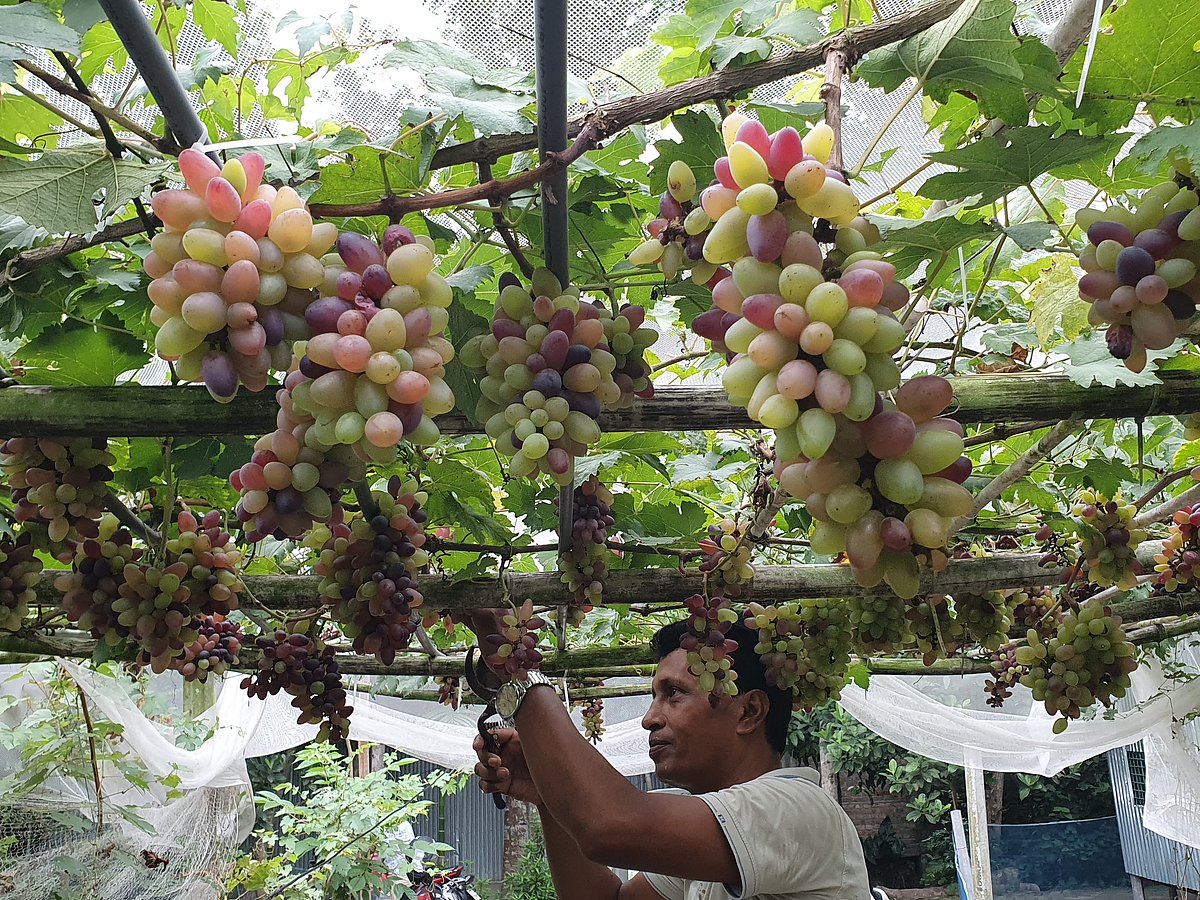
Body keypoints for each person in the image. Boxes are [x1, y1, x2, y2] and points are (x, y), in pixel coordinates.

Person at [468, 615, 871, 899]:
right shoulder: (722, 829)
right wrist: (544, 794)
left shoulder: (797, 810)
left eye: (673, 693)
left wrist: (518, 671)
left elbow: (609, 826)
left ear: (749, 713)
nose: (648, 719)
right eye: (654, 697)